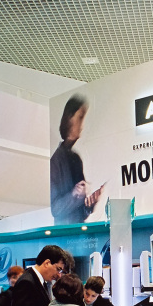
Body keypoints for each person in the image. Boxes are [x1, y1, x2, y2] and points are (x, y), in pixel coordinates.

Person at [50, 95, 105, 225]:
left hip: (79, 233)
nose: (82, 125)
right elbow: (55, 209)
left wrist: (90, 203)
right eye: (80, 118)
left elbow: (82, 212)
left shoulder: (76, 159)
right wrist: (74, 194)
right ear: (69, 118)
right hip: (64, 236)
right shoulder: (55, 162)